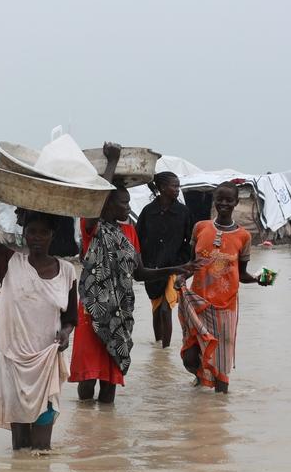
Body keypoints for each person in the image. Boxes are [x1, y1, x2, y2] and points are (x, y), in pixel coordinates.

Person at [69, 143, 202, 404]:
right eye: (122, 203)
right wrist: (112, 162)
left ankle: (105, 439)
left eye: (128, 202)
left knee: (110, 386)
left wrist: (178, 269)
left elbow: (140, 273)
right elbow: (95, 199)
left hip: (120, 315)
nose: (127, 207)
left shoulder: (129, 231)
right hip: (92, 314)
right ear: (107, 205)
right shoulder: (91, 227)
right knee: (86, 384)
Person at [0, 160, 77, 451]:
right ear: (24, 232)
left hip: (46, 364)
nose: (35, 238)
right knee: (20, 450)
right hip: (14, 364)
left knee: (41, 451)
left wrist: (65, 334)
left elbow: (70, 318)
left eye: (42, 232)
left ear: (53, 235)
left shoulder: (67, 272)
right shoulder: (9, 262)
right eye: (31, 231)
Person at [178, 181, 271, 394]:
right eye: (220, 198)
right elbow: (191, 265)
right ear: (214, 200)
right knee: (190, 358)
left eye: (229, 200)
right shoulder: (200, 227)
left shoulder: (243, 236)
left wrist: (259, 279)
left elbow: (242, 274)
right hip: (198, 304)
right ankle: (200, 381)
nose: (224, 203)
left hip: (225, 309)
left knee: (221, 370)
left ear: (236, 202)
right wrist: (181, 277)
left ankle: (219, 412)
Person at [135, 171, 194, 348]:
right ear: (161, 188)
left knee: (165, 309)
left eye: (178, 186)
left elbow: (190, 240)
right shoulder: (148, 211)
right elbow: (138, 238)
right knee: (156, 309)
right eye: (174, 186)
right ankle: (158, 345)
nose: (177, 189)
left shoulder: (183, 212)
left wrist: (184, 262)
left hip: (175, 266)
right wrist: (141, 264)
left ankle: (165, 352)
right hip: (152, 268)